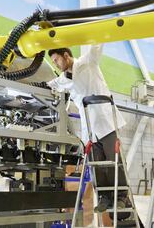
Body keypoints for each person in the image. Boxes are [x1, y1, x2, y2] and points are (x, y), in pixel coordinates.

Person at [46, 45, 129, 214]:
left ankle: (121, 198)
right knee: (96, 165)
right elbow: (49, 85)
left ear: (66, 55)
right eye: (53, 61)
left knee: (115, 162)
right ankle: (105, 198)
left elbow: (95, 45)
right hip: (89, 129)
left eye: (56, 60)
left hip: (106, 122)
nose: (55, 64)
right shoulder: (62, 79)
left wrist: (83, 30)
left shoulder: (88, 61)